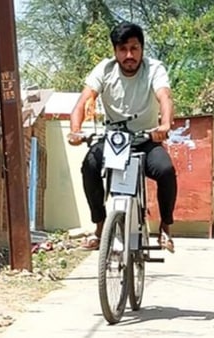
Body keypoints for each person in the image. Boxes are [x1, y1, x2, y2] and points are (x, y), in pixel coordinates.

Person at [67, 21, 177, 253]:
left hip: (146, 140)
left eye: (134, 48)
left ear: (142, 49)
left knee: (166, 170)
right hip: (113, 141)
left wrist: (165, 124)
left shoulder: (154, 69)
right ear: (115, 51)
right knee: (89, 165)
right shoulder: (105, 70)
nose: (129, 55)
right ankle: (100, 228)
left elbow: (164, 97)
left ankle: (165, 226)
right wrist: (75, 131)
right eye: (123, 49)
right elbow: (82, 103)